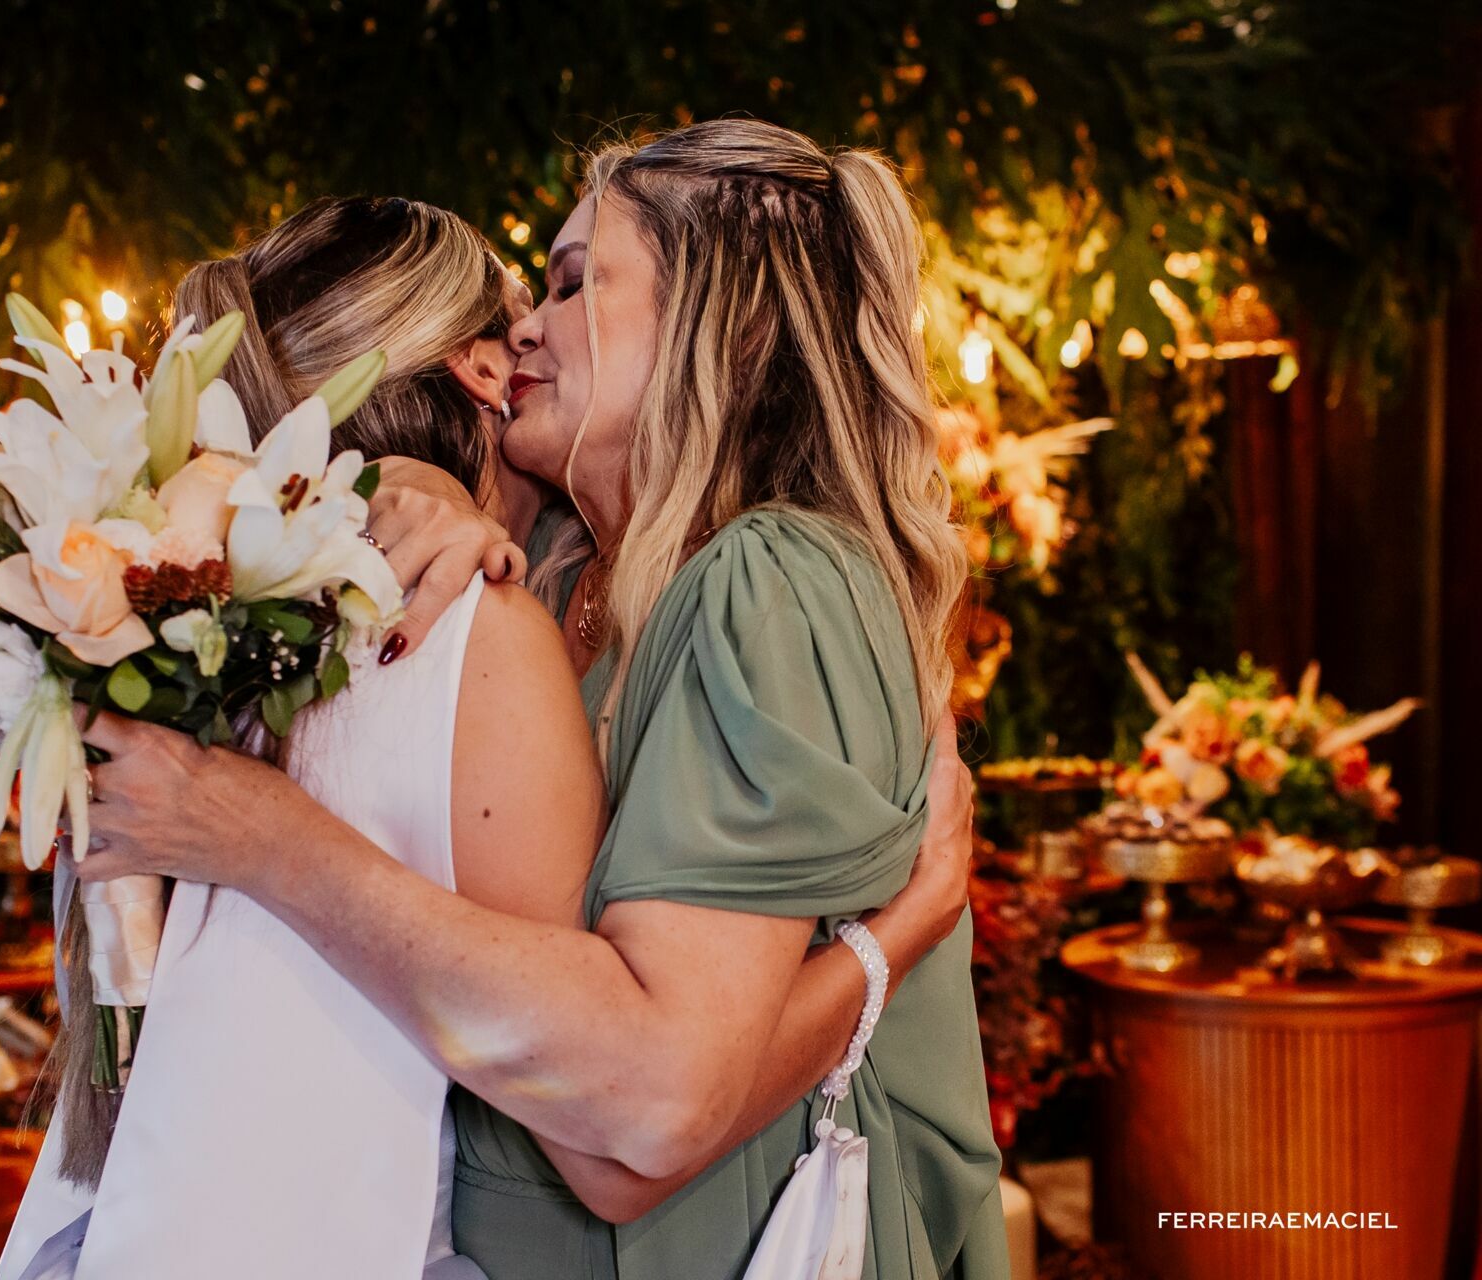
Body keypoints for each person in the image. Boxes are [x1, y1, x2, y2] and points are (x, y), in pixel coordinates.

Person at [74, 120, 1006, 1279]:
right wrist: (410, 482)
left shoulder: (770, 577)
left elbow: (649, 1112)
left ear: (723, 317)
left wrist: (264, 834)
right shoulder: (571, 571)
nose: (522, 329)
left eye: (572, 284)